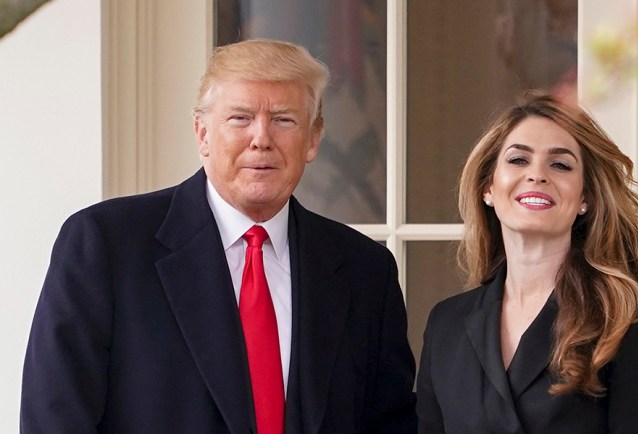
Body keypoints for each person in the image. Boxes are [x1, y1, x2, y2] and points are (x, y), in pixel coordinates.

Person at [21, 39, 417, 433]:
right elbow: (55, 419)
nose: (261, 138)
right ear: (202, 134)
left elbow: (390, 423)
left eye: (284, 119)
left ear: (312, 140)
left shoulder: (366, 271)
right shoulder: (106, 245)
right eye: (240, 118)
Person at [416, 92, 638, 433]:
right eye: (518, 160)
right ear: (488, 187)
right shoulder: (447, 324)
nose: (537, 175)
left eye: (560, 164)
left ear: (585, 199)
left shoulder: (633, 315)